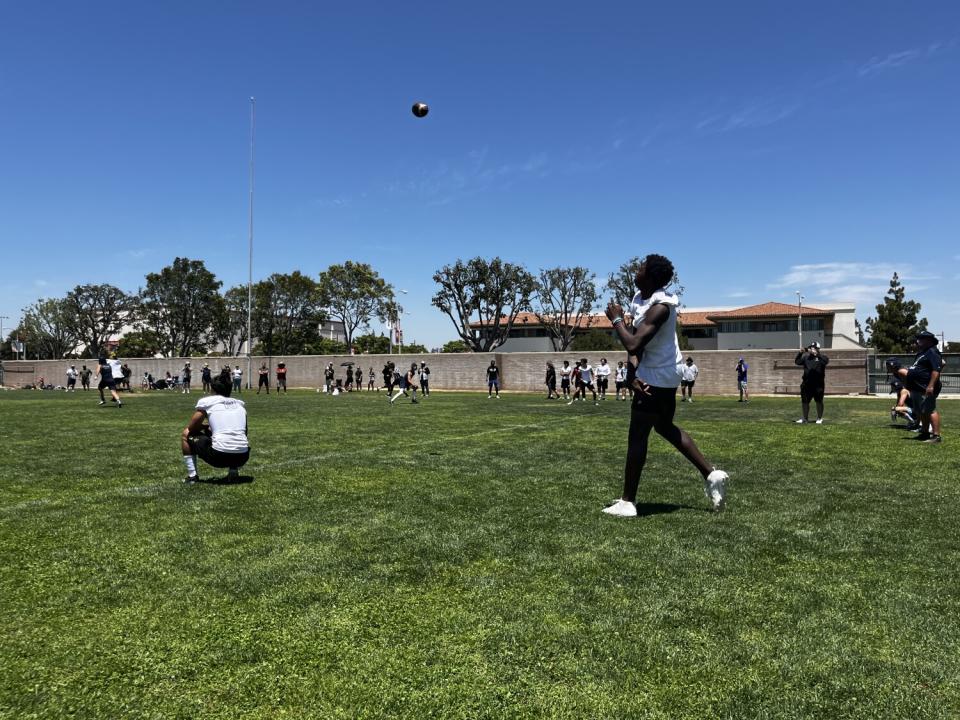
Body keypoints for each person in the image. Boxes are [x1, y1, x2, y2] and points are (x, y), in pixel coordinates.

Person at [602, 253, 728, 517]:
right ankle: (711, 473)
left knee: (637, 435)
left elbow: (634, 343)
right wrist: (630, 375)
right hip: (658, 372)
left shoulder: (661, 307)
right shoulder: (640, 299)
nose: (635, 271)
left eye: (640, 268)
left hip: (659, 375)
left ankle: (627, 502)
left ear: (650, 277)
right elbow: (636, 344)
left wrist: (616, 321)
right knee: (663, 426)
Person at [180, 374, 250, 483]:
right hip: (243, 456)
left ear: (213, 389)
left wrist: (205, 427)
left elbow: (192, 427)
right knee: (231, 435)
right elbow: (245, 432)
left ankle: (192, 476)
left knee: (186, 433)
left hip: (219, 456)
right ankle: (233, 471)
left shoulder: (208, 402)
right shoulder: (240, 405)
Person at [887, 330, 943, 443]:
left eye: (921, 338)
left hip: (925, 387)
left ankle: (936, 436)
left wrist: (931, 385)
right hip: (917, 387)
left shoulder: (933, 352)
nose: (919, 340)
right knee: (921, 411)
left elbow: (936, 369)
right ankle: (924, 432)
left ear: (929, 340)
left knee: (930, 410)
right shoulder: (922, 353)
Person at [795, 342, 829, 424]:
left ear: (817, 349)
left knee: (819, 401)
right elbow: (797, 362)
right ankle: (805, 418)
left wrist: (817, 354)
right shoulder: (806, 357)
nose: (811, 349)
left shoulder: (822, 358)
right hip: (806, 384)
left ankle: (819, 418)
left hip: (818, 385)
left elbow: (826, 361)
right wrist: (800, 353)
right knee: (805, 401)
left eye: (813, 348)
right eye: (811, 347)